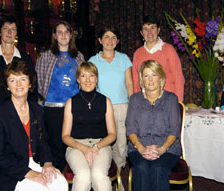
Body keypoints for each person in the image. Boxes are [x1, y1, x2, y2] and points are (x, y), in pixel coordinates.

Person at [0, 60, 68, 191]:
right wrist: (29, 173)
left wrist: (48, 163)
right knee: (41, 188)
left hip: (35, 162)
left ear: (30, 84)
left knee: (61, 184)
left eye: (23, 79)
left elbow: (43, 142)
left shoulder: (37, 110)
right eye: (13, 80)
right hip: (10, 172)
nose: (18, 84)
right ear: (7, 86)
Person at [35, 20, 84, 171]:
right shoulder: (45, 57)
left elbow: (85, 81)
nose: (63, 35)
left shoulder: (79, 57)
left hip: (74, 108)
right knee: (56, 147)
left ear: (71, 35)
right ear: (54, 36)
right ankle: (59, 182)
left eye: (66, 32)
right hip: (52, 109)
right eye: (60, 32)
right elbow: (39, 81)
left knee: (74, 146)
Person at [126, 60, 181, 191]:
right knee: (141, 167)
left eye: (154, 75)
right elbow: (131, 128)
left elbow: (174, 130)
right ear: (141, 79)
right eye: (146, 75)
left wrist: (162, 149)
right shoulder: (134, 99)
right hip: (138, 147)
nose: (150, 80)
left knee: (158, 168)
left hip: (167, 148)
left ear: (161, 77)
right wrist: (141, 148)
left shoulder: (171, 99)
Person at [62, 62, 116, 191]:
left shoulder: (106, 101)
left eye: (91, 76)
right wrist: (83, 148)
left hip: (101, 145)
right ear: (77, 79)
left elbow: (113, 134)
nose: (87, 80)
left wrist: (96, 146)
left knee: (99, 175)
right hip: (76, 146)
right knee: (83, 176)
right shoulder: (71, 102)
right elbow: (65, 136)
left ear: (96, 79)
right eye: (83, 76)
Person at [89, 26, 133, 181]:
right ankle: (104, 175)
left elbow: (129, 83)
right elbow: (90, 86)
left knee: (121, 142)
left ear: (118, 41)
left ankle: (119, 177)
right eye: (106, 37)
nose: (110, 41)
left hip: (122, 107)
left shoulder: (124, 59)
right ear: (100, 40)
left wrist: (133, 104)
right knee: (103, 142)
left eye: (113, 37)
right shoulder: (93, 61)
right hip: (101, 108)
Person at [0, 15, 37, 111]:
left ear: (16, 34)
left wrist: (25, 109)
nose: (9, 32)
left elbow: (33, 86)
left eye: (13, 29)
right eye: (6, 28)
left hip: (22, 113)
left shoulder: (25, 58)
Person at [132, 15, 185, 101]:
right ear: (141, 33)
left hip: (167, 102)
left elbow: (179, 79)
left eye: (152, 28)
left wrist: (177, 104)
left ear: (158, 30)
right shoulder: (137, 54)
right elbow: (136, 83)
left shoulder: (169, 50)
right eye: (145, 29)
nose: (149, 32)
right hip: (145, 104)